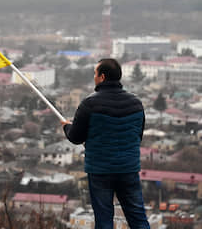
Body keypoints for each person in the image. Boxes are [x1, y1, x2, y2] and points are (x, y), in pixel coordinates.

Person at [61, 58, 150, 229]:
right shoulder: (136, 104)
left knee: (104, 218)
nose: (94, 77)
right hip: (128, 168)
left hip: (100, 170)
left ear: (102, 77)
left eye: (95, 73)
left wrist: (67, 127)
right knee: (137, 216)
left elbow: (76, 137)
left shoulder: (89, 105)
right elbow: (137, 136)